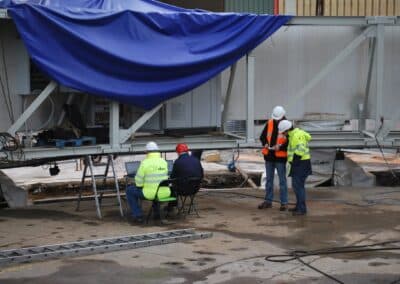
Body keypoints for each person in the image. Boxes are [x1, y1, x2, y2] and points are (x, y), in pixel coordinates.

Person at [125, 141, 170, 223]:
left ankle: (138, 215)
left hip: (150, 193)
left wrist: (140, 185)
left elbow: (138, 182)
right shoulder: (164, 162)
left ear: (147, 152)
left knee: (129, 190)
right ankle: (156, 213)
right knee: (156, 189)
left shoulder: (145, 163)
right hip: (164, 192)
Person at [278, 120, 312, 216]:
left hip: (301, 164)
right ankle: (299, 206)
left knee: (298, 187)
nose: (283, 134)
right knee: (296, 186)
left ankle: (302, 209)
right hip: (299, 163)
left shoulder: (297, 135)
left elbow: (300, 150)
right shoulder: (293, 135)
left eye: (283, 132)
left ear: (287, 130)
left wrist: (294, 163)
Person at [258, 106, 289, 211]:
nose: (276, 121)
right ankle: (268, 201)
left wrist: (280, 147)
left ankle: (284, 203)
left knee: (282, 181)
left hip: (280, 158)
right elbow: (262, 136)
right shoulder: (270, 123)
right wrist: (265, 143)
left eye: (278, 119)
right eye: (276, 119)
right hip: (269, 157)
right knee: (269, 180)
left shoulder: (288, 126)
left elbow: (290, 141)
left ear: (283, 116)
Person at [166, 143, 204, 212]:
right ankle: (171, 206)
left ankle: (171, 207)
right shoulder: (196, 160)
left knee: (171, 186)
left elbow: (172, 177)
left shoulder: (178, 162)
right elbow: (201, 175)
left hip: (182, 190)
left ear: (178, 152)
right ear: (187, 151)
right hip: (195, 189)